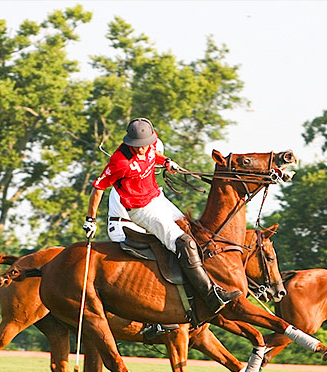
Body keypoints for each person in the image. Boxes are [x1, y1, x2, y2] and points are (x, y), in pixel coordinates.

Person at [84, 118, 241, 314]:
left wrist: (166, 162)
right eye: (137, 146)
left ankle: (196, 281)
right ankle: (211, 295)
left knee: (189, 230)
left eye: (145, 144)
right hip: (140, 209)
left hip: (156, 198)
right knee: (184, 242)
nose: (142, 149)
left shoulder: (150, 143)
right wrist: (90, 219)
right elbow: (98, 187)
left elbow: (154, 154)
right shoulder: (120, 162)